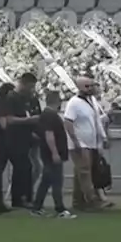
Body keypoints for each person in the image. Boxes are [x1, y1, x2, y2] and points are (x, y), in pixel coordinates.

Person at [64, 77, 111, 211]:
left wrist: (103, 137)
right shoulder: (73, 103)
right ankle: (92, 199)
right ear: (79, 87)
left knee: (82, 172)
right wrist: (75, 141)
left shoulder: (92, 101)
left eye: (91, 86)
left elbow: (97, 121)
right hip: (80, 143)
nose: (90, 88)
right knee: (84, 171)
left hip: (91, 143)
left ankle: (78, 201)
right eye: (87, 86)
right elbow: (68, 122)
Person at [30, 91, 76, 220]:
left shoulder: (44, 115)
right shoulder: (51, 116)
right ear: (57, 101)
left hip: (46, 153)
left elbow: (38, 134)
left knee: (46, 181)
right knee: (56, 182)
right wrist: (55, 152)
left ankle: (37, 206)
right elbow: (49, 135)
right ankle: (59, 208)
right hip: (52, 154)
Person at [0, 73, 42, 209]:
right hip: (14, 139)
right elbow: (9, 119)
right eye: (30, 87)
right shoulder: (11, 98)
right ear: (23, 84)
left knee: (27, 167)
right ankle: (19, 198)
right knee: (22, 167)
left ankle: (24, 197)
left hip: (27, 138)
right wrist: (28, 120)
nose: (32, 90)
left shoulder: (30, 98)